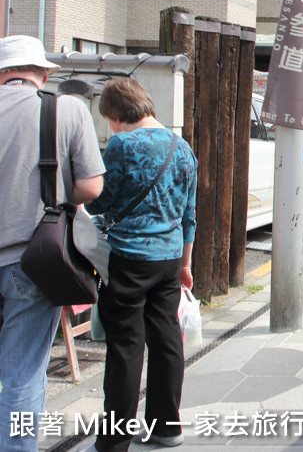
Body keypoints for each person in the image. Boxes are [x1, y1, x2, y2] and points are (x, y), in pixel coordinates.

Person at [0, 36, 105, 452]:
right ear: (43, 74)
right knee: (22, 373)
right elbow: (91, 187)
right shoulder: (65, 108)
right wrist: (54, 195)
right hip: (33, 260)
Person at [86, 77, 197, 452]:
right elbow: (189, 215)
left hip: (129, 259)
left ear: (116, 115)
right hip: (168, 260)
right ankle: (167, 427)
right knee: (166, 339)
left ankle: (114, 441)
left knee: (126, 346)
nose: (110, 127)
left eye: (109, 119)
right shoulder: (182, 148)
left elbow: (100, 200)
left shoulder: (121, 145)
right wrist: (186, 263)